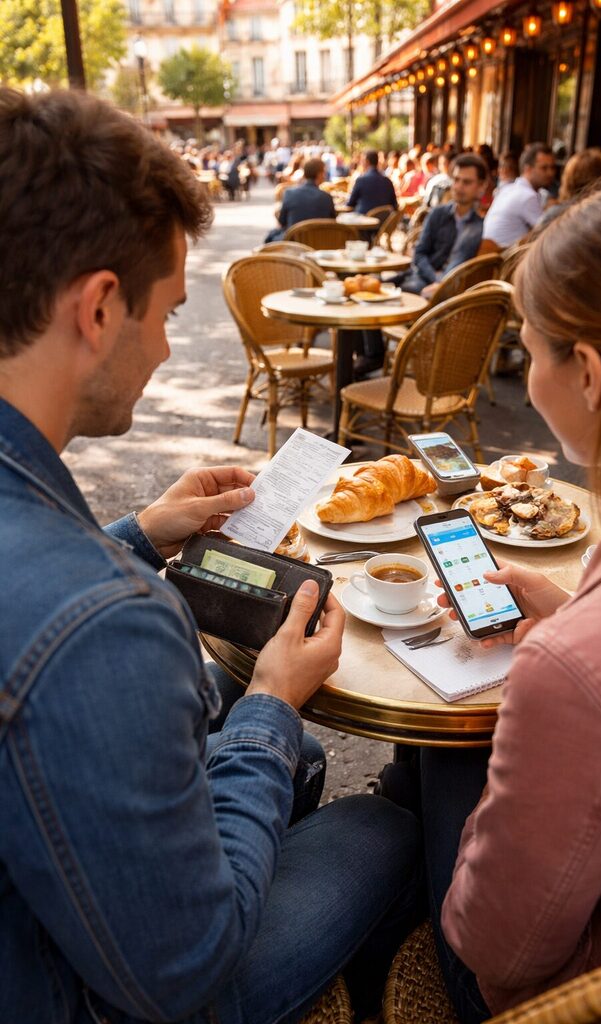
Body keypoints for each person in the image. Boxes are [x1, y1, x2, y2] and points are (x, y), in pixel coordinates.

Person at [0, 87, 423, 1024]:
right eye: (166, 314)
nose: (162, 348)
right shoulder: (106, 626)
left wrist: (141, 535)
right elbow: (180, 975)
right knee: (388, 818)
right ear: (100, 308)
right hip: (96, 997)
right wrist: (271, 702)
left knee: (295, 759)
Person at [420, 171, 601, 1023]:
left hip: (581, 998)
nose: (527, 378)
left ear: (592, 375)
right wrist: (572, 619)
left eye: (529, 351)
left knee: (422, 763)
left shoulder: (581, 666)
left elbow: (497, 950)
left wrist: (562, 654)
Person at [398, 154, 488, 297]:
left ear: (481, 187)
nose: (459, 186)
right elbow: (420, 253)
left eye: (467, 182)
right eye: (456, 180)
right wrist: (436, 279)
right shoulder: (438, 213)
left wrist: (442, 285)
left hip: (456, 293)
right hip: (425, 279)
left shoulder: (481, 226)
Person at [480, 141, 556, 252]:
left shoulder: (509, 189)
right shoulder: (527, 196)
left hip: (491, 258)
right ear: (527, 169)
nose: (550, 173)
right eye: (544, 168)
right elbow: (549, 236)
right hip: (501, 262)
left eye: (552, 168)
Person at [264, 157, 335, 242]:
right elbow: (332, 223)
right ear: (320, 174)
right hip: (320, 243)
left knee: (271, 236)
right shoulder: (326, 197)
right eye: (324, 172)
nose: (325, 175)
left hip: (293, 244)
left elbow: (282, 222)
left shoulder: (289, 193)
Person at [535, 147, 601, 229]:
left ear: (568, 179)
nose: (550, 173)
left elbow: (534, 239)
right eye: (544, 168)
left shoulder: (557, 214)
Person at [346, 149, 398, 214]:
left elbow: (350, 204)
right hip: (385, 222)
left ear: (366, 162)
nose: (361, 164)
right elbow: (395, 206)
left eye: (362, 161)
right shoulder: (388, 181)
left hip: (363, 222)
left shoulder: (361, 180)